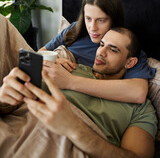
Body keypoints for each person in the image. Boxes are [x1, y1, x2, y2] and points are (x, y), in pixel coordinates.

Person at [1, 27, 157, 158]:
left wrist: (73, 127)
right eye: (101, 44)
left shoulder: (141, 108)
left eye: (113, 49)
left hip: (65, 145)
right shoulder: (69, 68)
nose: (101, 52)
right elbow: (21, 98)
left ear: (130, 62)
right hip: (16, 127)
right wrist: (4, 98)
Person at [40, 0, 155, 103]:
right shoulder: (75, 30)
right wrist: (51, 59)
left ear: (113, 19)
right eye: (88, 18)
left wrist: (70, 81)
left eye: (101, 20)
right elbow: (39, 53)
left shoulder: (126, 48)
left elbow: (138, 93)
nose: (92, 28)